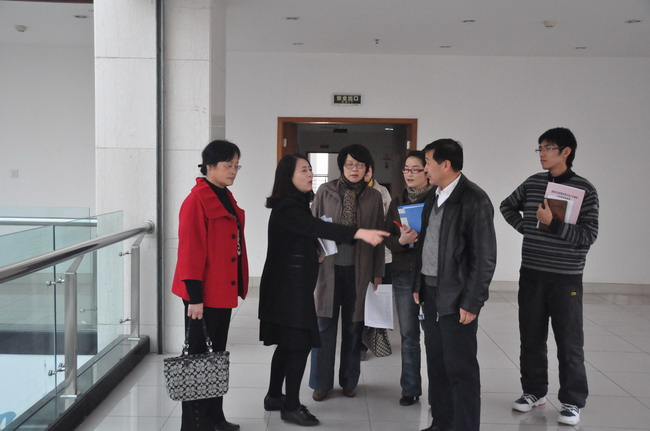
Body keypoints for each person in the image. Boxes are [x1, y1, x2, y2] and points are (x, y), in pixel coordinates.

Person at [259, 154, 388, 427]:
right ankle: (291, 406)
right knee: (299, 345)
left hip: (286, 288)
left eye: (310, 169)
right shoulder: (288, 207)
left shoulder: (295, 203)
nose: (310, 175)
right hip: (288, 291)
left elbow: (301, 237)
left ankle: (274, 396)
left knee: (286, 344)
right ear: (288, 177)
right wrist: (359, 233)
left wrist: (312, 253)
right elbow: (317, 227)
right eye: (304, 170)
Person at [500, 127, 599, 426]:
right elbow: (506, 206)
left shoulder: (584, 189)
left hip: (566, 278)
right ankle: (533, 391)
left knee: (569, 342)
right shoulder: (533, 183)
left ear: (566, 151)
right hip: (532, 273)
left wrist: (552, 224)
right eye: (540, 148)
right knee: (531, 336)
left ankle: (572, 401)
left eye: (548, 148)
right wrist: (528, 228)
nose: (542, 153)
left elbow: (589, 235)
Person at [415, 139, 497, 431]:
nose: (424, 169)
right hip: (431, 292)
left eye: (428, 162)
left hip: (457, 296)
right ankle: (442, 423)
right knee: (437, 363)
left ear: (446, 164)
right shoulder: (433, 196)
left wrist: (472, 301)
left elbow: (484, 257)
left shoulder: (475, 199)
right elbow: (425, 244)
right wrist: (418, 283)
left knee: (461, 368)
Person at [171, 140, 247, 431]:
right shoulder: (196, 200)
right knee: (198, 362)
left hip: (221, 292)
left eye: (237, 165)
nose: (234, 170)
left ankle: (215, 418)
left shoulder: (224, 195)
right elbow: (190, 252)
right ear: (210, 166)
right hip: (202, 296)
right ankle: (193, 425)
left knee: (215, 358)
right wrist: (195, 298)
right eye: (229, 165)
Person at [309, 144, 385, 402]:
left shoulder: (374, 197)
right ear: (341, 166)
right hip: (328, 270)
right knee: (324, 327)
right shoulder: (325, 191)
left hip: (359, 272)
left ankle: (350, 381)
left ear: (367, 169)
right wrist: (313, 257)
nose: (354, 169)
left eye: (360, 165)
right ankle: (321, 383)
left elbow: (379, 236)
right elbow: (312, 227)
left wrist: (378, 271)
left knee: (354, 328)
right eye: (350, 164)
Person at [384, 150, 434, 406]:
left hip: (431, 273)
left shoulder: (438, 199)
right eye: (406, 169)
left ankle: (438, 390)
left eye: (415, 169)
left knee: (435, 334)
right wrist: (402, 241)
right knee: (409, 334)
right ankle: (410, 388)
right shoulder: (397, 201)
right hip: (404, 272)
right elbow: (387, 237)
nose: (410, 174)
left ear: (427, 171)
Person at [360, 163, 392, 361]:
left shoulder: (383, 192)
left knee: (376, 299)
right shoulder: (351, 193)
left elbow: (388, 222)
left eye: (368, 169)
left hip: (382, 255)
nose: (364, 173)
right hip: (359, 255)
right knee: (359, 302)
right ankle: (360, 345)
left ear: (372, 171)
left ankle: (375, 339)